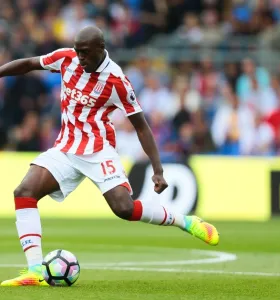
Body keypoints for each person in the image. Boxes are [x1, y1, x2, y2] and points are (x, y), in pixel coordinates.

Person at [0, 26, 219, 287]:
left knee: (124, 208)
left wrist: (158, 170)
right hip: (66, 147)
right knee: (24, 191)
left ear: (100, 49)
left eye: (84, 52)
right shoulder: (65, 58)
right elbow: (27, 64)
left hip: (98, 149)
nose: (79, 57)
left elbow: (141, 126)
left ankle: (185, 221)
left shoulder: (117, 81)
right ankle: (35, 270)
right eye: (77, 51)